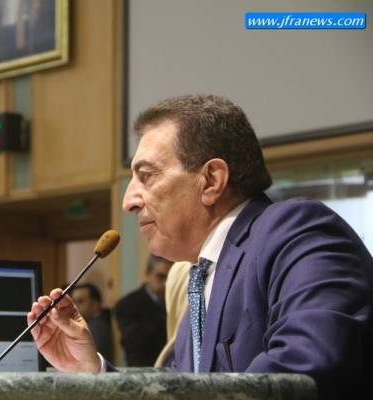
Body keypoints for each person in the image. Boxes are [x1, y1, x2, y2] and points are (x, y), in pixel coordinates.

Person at [27, 94, 373, 399]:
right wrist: (93, 372)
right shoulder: (200, 276)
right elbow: (180, 392)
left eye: (147, 176)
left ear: (211, 180)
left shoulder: (295, 230)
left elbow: (304, 371)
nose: (128, 201)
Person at [114, 255, 170, 366]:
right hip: (143, 368)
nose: (165, 283)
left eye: (169, 278)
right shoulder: (127, 304)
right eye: (160, 277)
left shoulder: (176, 301)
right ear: (147, 274)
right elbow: (134, 343)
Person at [70, 283, 113, 361]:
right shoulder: (94, 324)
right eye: (73, 302)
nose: (75, 306)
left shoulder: (97, 328)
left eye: (80, 301)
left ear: (95, 304)